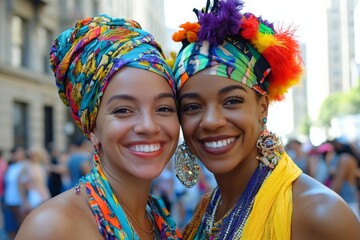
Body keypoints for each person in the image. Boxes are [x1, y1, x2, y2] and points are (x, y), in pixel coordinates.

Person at [171, 0, 360, 239]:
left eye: (231, 101)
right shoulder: (206, 210)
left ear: (263, 107)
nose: (211, 121)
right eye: (192, 106)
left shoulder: (319, 215)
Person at [15, 14, 182, 240]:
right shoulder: (53, 227)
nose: (148, 126)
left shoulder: (154, 216)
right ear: (92, 128)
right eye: (123, 110)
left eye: (163, 108)